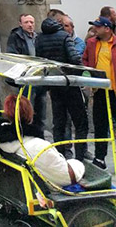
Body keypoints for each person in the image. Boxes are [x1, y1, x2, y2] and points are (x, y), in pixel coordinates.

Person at [0, 94, 85, 187]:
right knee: (80, 165)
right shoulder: (39, 146)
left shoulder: (3, 142)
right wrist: (79, 166)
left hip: (30, 183)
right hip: (56, 181)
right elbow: (67, 177)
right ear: (29, 113)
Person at [35, 13, 87, 161]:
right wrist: (83, 74)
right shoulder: (64, 36)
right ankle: (80, 159)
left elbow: (41, 62)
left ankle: (60, 158)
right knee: (81, 123)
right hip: (69, 84)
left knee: (59, 123)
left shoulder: (39, 39)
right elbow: (74, 59)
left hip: (54, 85)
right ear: (59, 23)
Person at [82, 15, 116, 169]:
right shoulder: (91, 43)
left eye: (98, 26)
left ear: (107, 28)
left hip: (114, 89)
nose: (95, 29)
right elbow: (85, 61)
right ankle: (100, 158)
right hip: (99, 89)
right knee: (100, 124)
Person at [6, 12, 46, 129]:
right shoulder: (16, 36)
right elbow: (12, 55)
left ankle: (40, 132)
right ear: (20, 24)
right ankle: (27, 130)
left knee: (41, 108)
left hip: (39, 77)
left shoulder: (38, 37)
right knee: (27, 106)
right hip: (26, 77)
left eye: (32, 22)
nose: (29, 25)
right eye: (26, 22)